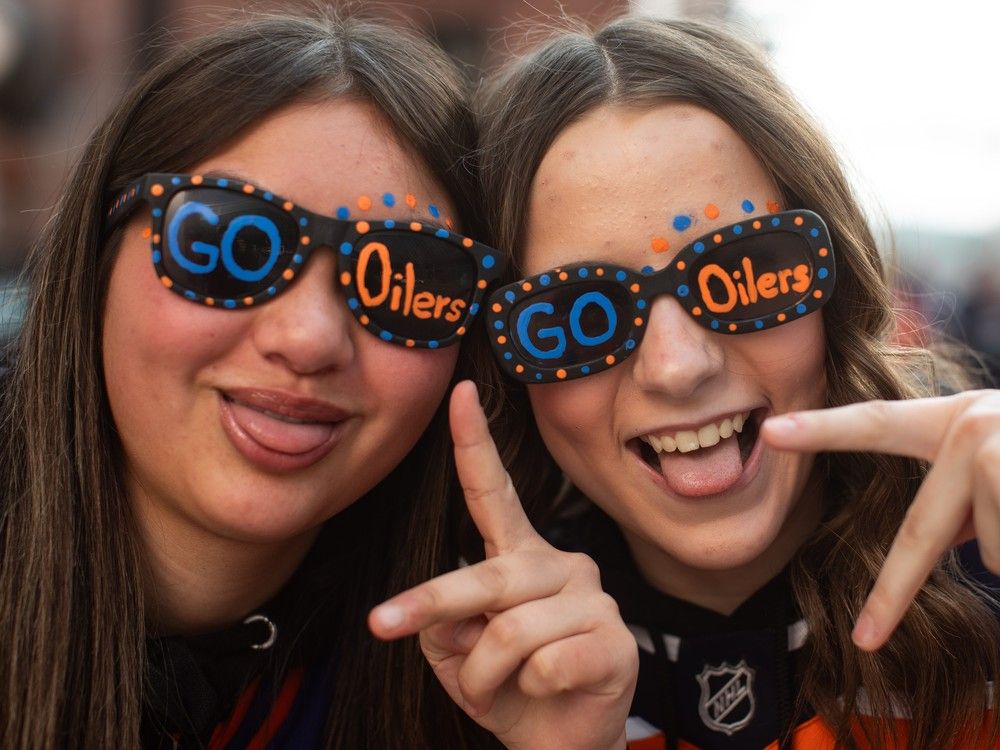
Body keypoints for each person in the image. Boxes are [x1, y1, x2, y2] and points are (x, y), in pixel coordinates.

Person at [0, 10, 636, 749]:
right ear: (99, 254)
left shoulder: (490, 680)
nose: (308, 340)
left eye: (402, 279)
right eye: (235, 244)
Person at [476, 16, 1000, 750]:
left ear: (836, 287)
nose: (678, 366)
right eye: (580, 313)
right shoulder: (453, 660)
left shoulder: (988, 551)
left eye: (742, 274)